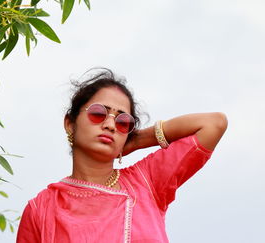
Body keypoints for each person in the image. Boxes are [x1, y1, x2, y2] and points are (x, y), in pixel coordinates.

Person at [16, 68, 228, 243]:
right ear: (70, 123)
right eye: (98, 113)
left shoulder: (147, 182)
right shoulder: (41, 209)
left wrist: (136, 140)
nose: (110, 125)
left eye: (123, 122)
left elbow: (213, 124)